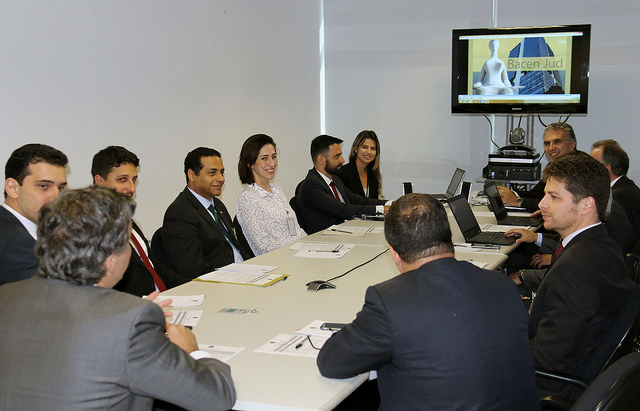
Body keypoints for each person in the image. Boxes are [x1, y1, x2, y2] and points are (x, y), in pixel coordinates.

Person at [0, 186, 236, 410]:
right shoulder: (130, 321)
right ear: (111, 258)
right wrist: (193, 350)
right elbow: (217, 396)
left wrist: (127, 313)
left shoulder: (6, 296)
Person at [317, 193, 539, 411]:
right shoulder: (504, 285)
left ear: (394, 254)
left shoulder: (390, 301)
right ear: (451, 239)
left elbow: (332, 363)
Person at [528, 154, 637, 400]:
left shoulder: (576, 268)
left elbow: (547, 359)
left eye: (554, 197)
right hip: (576, 371)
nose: (542, 204)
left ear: (586, 205)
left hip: (547, 386)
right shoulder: (603, 245)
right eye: (546, 194)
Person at [92, 146, 186, 296]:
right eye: (122, 179)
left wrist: (194, 286)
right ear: (99, 181)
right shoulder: (91, 228)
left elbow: (153, 266)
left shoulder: (127, 218)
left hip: (164, 300)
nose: (131, 188)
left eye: (134, 180)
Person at [155, 147, 253, 280]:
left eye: (222, 172)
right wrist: (235, 274)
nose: (221, 179)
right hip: (220, 283)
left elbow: (235, 248)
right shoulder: (180, 213)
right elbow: (192, 270)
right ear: (191, 175)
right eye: (212, 173)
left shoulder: (217, 205)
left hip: (244, 273)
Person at [0, 143, 68, 286]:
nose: (56, 196)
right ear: (12, 188)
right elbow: (51, 302)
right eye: (43, 186)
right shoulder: (16, 243)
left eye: (61, 187)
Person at [296, 135, 388, 234]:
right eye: (337, 156)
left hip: (346, 232)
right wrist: (382, 209)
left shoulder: (335, 179)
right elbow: (341, 210)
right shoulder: (312, 185)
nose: (342, 160)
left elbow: (357, 200)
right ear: (321, 159)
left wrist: (389, 204)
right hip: (327, 239)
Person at [236, 134, 306, 256]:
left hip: (297, 253)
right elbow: (264, 247)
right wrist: (298, 244)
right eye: (264, 158)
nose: (272, 163)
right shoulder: (247, 199)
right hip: (277, 261)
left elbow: (297, 229)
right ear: (250, 163)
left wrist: (308, 243)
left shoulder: (278, 190)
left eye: (274, 157)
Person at [499, 122, 577, 211]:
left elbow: (557, 205)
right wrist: (509, 194)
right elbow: (535, 194)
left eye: (557, 142)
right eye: (547, 143)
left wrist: (518, 201)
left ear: (572, 145)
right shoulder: (555, 164)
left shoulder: (577, 169)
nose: (551, 148)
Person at [590, 139, 640, 245]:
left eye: (592, 166)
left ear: (606, 169)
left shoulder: (616, 196)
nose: (588, 171)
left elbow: (610, 238)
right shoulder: (629, 189)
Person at [337, 130, 383, 199]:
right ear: (355, 148)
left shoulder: (374, 176)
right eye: (364, 147)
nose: (369, 152)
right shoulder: (343, 173)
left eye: (373, 149)